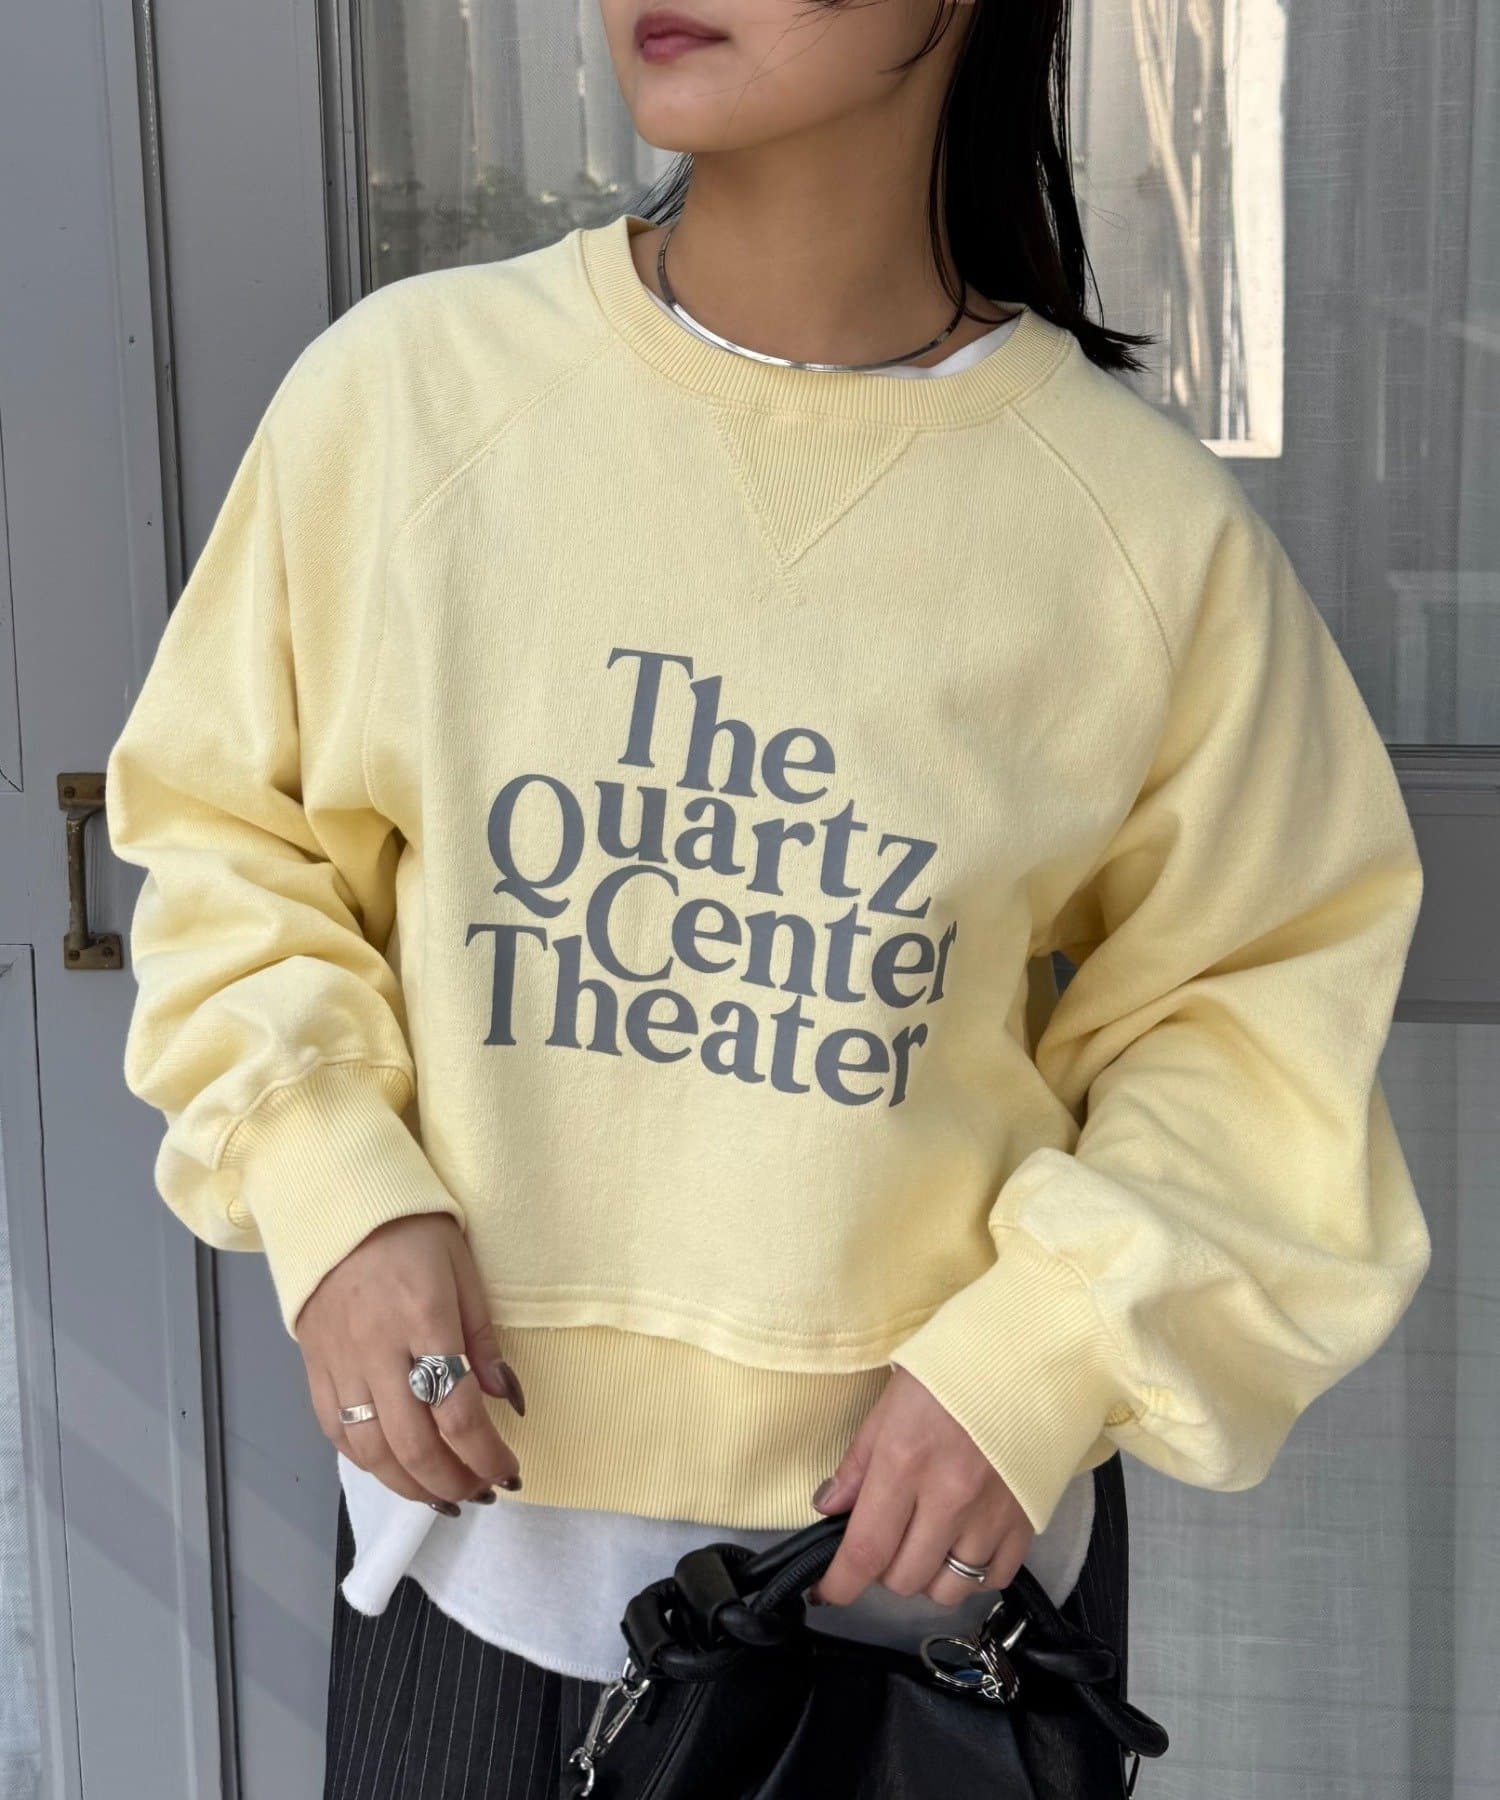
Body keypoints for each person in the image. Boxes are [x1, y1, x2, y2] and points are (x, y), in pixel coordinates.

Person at [104, 1, 1431, 1794]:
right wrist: (332, 1181)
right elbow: (228, 831)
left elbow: (1261, 1009)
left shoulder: (1138, 535)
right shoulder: (408, 401)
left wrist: (1037, 1359)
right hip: (479, 1574)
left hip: (918, 1629)